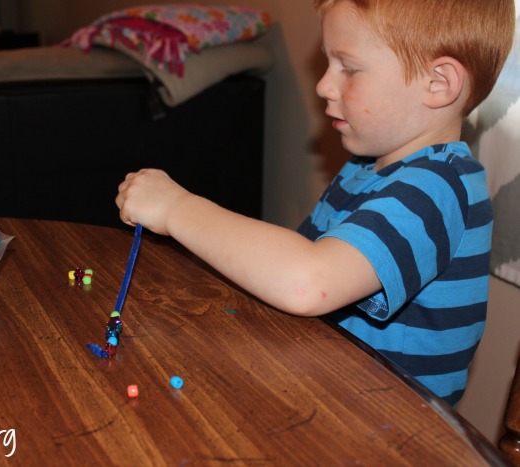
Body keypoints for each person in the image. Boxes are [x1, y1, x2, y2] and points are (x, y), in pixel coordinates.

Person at [115, 0, 515, 407]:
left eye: (349, 68)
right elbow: (291, 268)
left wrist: (177, 209)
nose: (323, 85)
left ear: (438, 82)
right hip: (324, 392)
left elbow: (308, 282)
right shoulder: (365, 168)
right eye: (328, 64)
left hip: (387, 430)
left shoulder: (437, 188)